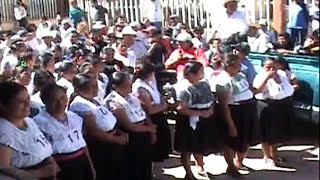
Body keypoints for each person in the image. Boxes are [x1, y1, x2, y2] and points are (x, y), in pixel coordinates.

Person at [69, 73, 129, 180]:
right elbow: (94, 131)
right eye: (91, 86)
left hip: (111, 141)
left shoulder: (95, 100)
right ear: (80, 89)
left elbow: (108, 119)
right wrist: (116, 139)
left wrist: (119, 132)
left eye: (95, 85)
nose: (96, 88)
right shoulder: (79, 104)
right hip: (100, 145)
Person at [34, 83, 95, 180]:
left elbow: (82, 144)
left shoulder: (74, 117)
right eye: (54, 100)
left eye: (63, 98)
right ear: (45, 101)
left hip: (81, 162)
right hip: (60, 167)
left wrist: (90, 165)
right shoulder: (38, 123)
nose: (60, 103)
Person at [104, 71, 157, 180]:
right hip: (132, 136)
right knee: (134, 166)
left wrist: (151, 129)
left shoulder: (131, 96)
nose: (129, 87)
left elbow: (143, 113)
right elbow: (128, 125)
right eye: (126, 85)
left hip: (143, 132)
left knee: (145, 163)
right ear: (116, 86)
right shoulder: (114, 101)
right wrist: (149, 128)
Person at [0, 82, 59, 179]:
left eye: (28, 98)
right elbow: (4, 172)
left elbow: (41, 145)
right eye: (20, 101)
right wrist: (41, 173)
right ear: (3, 104)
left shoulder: (30, 122)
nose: (28, 104)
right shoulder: (3, 131)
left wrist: (52, 165)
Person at [212, 54, 256, 177]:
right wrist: (230, 124)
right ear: (228, 66)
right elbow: (224, 105)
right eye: (237, 65)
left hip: (247, 109)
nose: (240, 67)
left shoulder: (240, 75)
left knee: (245, 139)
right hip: (234, 111)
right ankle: (231, 166)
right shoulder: (223, 81)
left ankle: (239, 162)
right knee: (230, 141)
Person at [173, 61, 214, 180]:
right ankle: (188, 173)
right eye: (200, 72)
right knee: (186, 147)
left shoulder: (204, 83)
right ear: (191, 74)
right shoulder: (183, 88)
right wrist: (200, 113)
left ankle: (200, 166)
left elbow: (210, 98)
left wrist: (210, 109)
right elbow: (181, 108)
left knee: (200, 144)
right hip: (188, 120)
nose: (203, 74)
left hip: (204, 118)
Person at [253, 57, 294, 166]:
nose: (272, 70)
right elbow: (257, 91)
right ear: (264, 67)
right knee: (266, 132)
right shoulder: (260, 76)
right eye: (268, 67)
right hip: (267, 106)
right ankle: (267, 156)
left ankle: (274, 154)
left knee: (277, 132)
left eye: (274, 67)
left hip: (281, 105)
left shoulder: (282, 74)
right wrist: (267, 78)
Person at [132, 63, 171, 162]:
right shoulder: (141, 88)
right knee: (153, 149)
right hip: (152, 119)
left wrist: (163, 102)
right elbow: (149, 110)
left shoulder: (149, 82)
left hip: (159, 116)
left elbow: (159, 95)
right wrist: (164, 105)